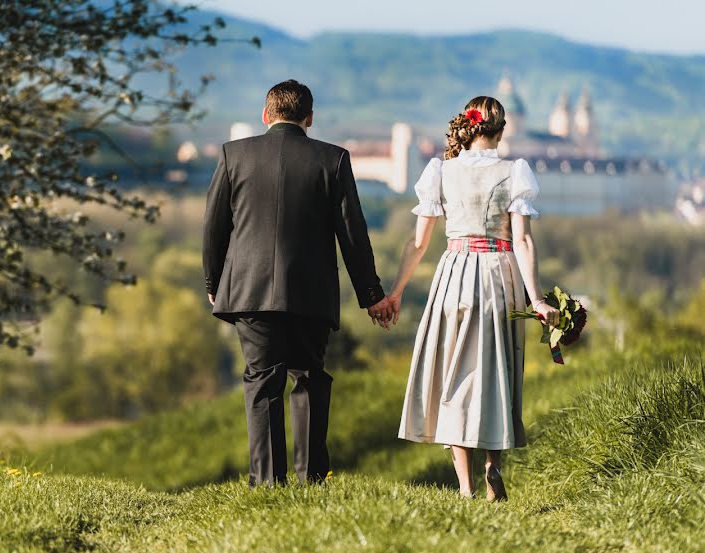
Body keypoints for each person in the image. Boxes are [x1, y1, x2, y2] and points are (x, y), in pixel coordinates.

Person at [202, 80, 393, 487]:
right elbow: (353, 234)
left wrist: (213, 281)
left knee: (262, 380)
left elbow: (213, 226)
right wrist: (371, 295)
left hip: (249, 289)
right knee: (309, 378)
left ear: (266, 114)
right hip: (311, 291)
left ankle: (268, 481)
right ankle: (311, 480)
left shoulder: (233, 155)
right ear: (309, 117)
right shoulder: (333, 159)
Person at [388, 96, 560, 501]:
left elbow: (417, 243)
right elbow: (521, 240)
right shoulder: (515, 171)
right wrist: (536, 299)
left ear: (468, 127)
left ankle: (465, 488)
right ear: (501, 131)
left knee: (455, 378)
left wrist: (395, 292)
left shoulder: (441, 171)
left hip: (455, 275)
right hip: (499, 276)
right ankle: (492, 467)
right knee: (496, 373)